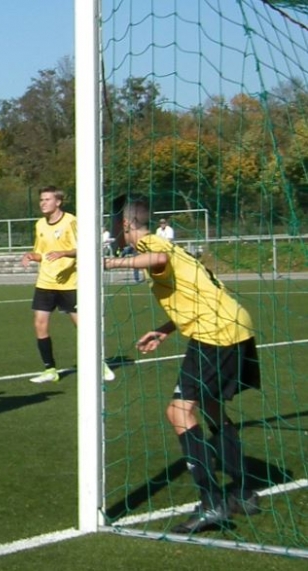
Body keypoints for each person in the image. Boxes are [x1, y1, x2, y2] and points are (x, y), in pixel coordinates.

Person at [106, 199, 261, 533]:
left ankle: (211, 503)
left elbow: (158, 259)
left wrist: (110, 263)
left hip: (214, 333)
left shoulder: (152, 244)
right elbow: (196, 292)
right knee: (210, 405)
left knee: (178, 412)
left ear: (125, 225)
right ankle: (244, 492)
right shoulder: (171, 246)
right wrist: (164, 329)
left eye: (114, 222)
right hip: (234, 324)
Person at [20, 186, 115, 384]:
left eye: (47, 199)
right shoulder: (40, 224)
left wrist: (64, 253)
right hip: (45, 282)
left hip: (70, 283)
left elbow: (83, 248)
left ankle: (100, 364)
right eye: (41, 199)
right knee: (39, 323)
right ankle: (50, 370)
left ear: (58, 202)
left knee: (82, 325)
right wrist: (31, 256)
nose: (43, 203)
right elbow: (42, 253)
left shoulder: (71, 221)